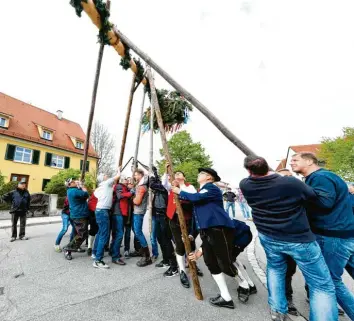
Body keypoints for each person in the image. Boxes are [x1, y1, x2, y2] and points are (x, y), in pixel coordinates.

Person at [240, 155, 338, 321]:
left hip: (269, 237)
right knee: (320, 284)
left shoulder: (245, 184)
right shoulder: (290, 183)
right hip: (299, 239)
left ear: (249, 171)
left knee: (276, 271)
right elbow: (315, 199)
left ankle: (277, 311)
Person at [291, 152, 354, 319]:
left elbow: (324, 203)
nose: (292, 163)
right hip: (342, 234)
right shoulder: (323, 177)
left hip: (332, 237)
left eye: (295, 160)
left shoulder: (320, 178)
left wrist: (299, 197)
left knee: (330, 281)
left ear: (310, 161)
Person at [172, 168, 237, 309]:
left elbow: (196, 198)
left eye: (201, 173)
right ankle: (226, 297)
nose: (198, 175)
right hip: (207, 231)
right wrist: (191, 234)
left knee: (226, 263)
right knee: (210, 262)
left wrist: (180, 192)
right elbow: (196, 212)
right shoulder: (201, 191)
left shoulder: (211, 188)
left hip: (219, 229)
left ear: (209, 177)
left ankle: (245, 283)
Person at [189, 217, 257, 303]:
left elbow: (212, 237)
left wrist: (200, 251)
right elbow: (197, 227)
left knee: (228, 260)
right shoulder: (198, 212)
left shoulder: (208, 215)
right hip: (233, 234)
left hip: (240, 236)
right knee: (231, 259)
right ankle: (251, 285)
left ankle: (245, 286)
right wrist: (190, 235)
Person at [163, 163, 203, 288]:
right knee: (180, 245)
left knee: (190, 244)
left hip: (187, 219)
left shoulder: (189, 187)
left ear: (184, 178)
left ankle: (193, 265)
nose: (178, 175)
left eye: (180, 174)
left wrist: (180, 192)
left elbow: (192, 199)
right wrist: (166, 171)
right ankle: (182, 271)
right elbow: (164, 183)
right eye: (176, 174)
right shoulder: (170, 186)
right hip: (174, 219)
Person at [276, 168, 300, 316]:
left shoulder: (300, 193)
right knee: (284, 271)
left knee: (293, 269)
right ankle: (285, 299)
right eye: (286, 177)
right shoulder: (272, 196)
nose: (290, 179)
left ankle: (313, 296)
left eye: (291, 176)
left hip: (302, 239)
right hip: (280, 240)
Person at [149, 166, 178, 276]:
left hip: (165, 216)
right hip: (157, 214)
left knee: (167, 240)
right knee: (160, 239)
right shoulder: (161, 186)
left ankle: (173, 264)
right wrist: (156, 173)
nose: (167, 178)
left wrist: (153, 175)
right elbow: (158, 182)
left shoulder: (167, 187)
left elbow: (153, 184)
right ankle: (166, 260)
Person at [92, 171, 120, 269]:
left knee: (100, 233)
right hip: (103, 211)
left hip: (99, 210)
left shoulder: (100, 188)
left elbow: (111, 188)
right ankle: (98, 260)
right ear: (102, 179)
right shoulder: (106, 183)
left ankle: (94, 253)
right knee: (104, 235)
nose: (106, 175)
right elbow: (117, 177)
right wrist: (118, 170)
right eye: (104, 175)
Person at [63, 178, 90, 260]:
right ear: (69, 184)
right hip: (79, 215)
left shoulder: (71, 191)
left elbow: (82, 197)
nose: (75, 182)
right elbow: (86, 194)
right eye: (73, 182)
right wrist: (82, 186)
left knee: (76, 233)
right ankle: (68, 248)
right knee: (82, 234)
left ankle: (71, 249)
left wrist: (79, 186)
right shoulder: (74, 191)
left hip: (77, 215)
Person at [111, 175, 134, 265]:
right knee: (119, 234)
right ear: (120, 180)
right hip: (118, 213)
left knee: (117, 234)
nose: (127, 181)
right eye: (125, 179)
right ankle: (115, 257)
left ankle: (113, 252)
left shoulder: (123, 187)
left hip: (121, 213)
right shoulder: (119, 186)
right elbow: (120, 196)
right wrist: (131, 193)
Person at [132, 168, 151, 267]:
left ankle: (146, 256)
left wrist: (132, 199)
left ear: (140, 175)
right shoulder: (140, 186)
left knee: (138, 232)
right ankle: (140, 251)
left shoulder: (141, 187)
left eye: (136, 175)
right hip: (138, 211)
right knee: (136, 231)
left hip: (138, 212)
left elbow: (137, 201)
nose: (135, 177)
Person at [87, 191, 99, 256]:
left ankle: (90, 247)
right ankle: (91, 247)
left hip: (92, 211)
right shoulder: (100, 191)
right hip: (95, 211)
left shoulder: (94, 192)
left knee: (93, 230)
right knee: (95, 231)